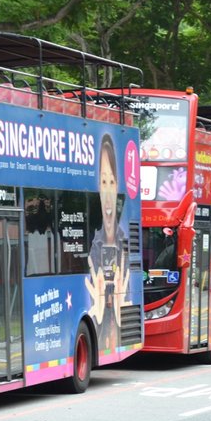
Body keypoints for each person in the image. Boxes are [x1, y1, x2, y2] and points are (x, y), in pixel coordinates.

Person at [85, 134, 128, 350]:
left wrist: (119, 316)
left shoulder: (127, 248)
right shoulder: (91, 253)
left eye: (112, 181)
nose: (108, 190)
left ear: (117, 185)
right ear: (99, 190)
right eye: (103, 181)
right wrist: (100, 316)